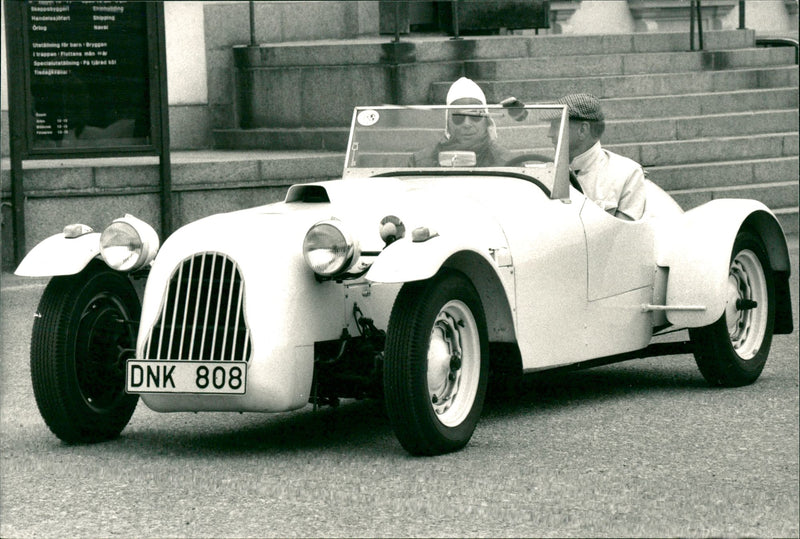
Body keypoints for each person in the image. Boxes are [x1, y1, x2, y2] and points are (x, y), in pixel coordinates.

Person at [548, 93, 646, 221]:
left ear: (582, 130)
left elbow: (622, 235)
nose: (549, 134)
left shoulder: (627, 173)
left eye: (557, 126)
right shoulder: (546, 172)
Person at [410, 77, 512, 167]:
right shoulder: (420, 163)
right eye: (458, 117)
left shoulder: (507, 163)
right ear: (448, 123)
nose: (466, 124)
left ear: (486, 121)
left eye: (475, 115)